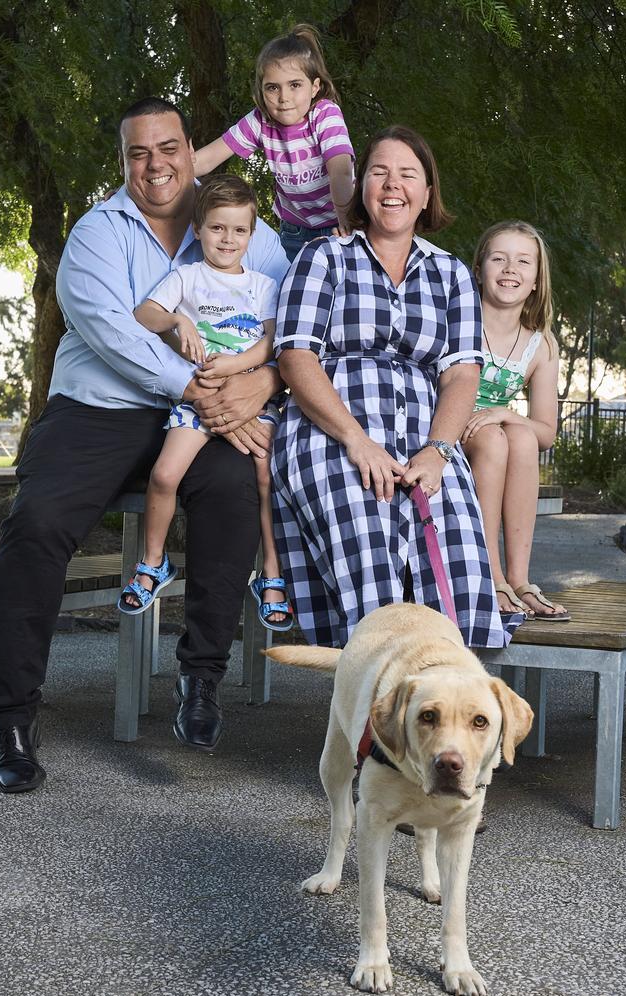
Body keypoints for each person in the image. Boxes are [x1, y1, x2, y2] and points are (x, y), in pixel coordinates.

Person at [0, 98, 289, 794]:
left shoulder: (246, 229)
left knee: (236, 491)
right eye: (138, 153)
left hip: (202, 412)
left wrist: (262, 382)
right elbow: (112, 333)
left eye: (169, 147)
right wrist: (201, 390)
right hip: (102, 407)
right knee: (36, 524)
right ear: (123, 161)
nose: (156, 165)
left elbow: (291, 316)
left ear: (191, 148)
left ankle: (200, 679)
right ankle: (13, 714)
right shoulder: (97, 233)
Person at [270, 125, 523, 651]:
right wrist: (357, 440)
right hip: (331, 429)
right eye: (379, 172)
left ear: (427, 193)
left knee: (457, 560)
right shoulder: (323, 257)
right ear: (361, 186)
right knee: (368, 545)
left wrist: (438, 451)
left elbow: (460, 375)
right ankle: (375, 711)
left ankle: (445, 716)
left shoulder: (450, 273)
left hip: (424, 437)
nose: (392, 185)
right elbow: (296, 358)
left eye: (408, 174)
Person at [117, 174, 293, 631]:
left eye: (238, 231)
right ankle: (153, 563)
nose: (227, 239)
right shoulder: (187, 277)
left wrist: (235, 369)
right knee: (163, 474)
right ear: (199, 229)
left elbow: (272, 344)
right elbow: (143, 315)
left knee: (264, 478)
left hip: (250, 401)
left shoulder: (261, 285)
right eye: (217, 228)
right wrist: (178, 320)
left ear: (252, 235)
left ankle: (272, 574)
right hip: (196, 404)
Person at [460, 221, 570, 621]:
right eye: (499, 258)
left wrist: (507, 413)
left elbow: (545, 432)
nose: (510, 269)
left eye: (523, 261)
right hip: (448, 426)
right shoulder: (459, 319)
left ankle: (520, 579)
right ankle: (490, 576)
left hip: (495, 433)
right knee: (494, 439)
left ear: (537, 280)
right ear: (479, 269)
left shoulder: (541, 345)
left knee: (519, 437)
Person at [194, 23, 355, 261]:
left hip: (339, 221)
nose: (283, 98)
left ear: (314, 87)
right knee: (291, 291)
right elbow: (205, 160)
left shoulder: (325, 114)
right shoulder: (261, 121)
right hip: (295, 230)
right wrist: (141, 185)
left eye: (295, 85)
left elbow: (340, 172)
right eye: (272, 88)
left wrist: (347, 223)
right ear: (261, 91)